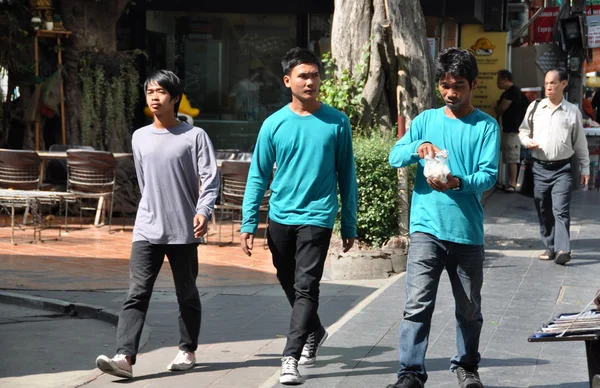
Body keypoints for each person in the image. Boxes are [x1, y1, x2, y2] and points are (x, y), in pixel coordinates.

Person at [239, 47, 358, 385]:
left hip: (318, 216)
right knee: (287, 279)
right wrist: (249, 221)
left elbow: (347, 175)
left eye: (315, 75)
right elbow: (258, 176)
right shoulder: (273, 124)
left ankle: (290, 356)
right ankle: (315, 329)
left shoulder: (337, 122)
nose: (311, 81)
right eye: (303, 76)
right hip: (280, 216)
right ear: (288, 81)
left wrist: (348, 221)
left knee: (307, 286)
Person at [95, 70, 220, 378]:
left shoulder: (194, 136)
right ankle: (124, 356)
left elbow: (210, 179)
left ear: (175, 98)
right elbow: (145, 181)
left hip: (184, 230)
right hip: (147, 228)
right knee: (136, 293)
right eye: (150, 91)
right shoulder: (139, 137)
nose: (154, 96)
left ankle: (187, 349)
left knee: (186, 293)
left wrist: (203, 210)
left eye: (161, 91)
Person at [387, 47, 500, 388]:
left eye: (460, 85)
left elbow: (489, 175)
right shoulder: (424, 121)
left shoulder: (486, 126)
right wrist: (416, 147)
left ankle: (466, 366)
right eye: (446, 85)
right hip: (426, 229)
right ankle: (410, 373)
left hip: (466, 232)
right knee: (417, 305)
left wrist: (457, 183)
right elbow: (395, 157)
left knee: (469, 308)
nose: (452, 92)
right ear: (439, 85)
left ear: (474, 84)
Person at [518, 68, 590, 265]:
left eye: (553, 83)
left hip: (562, 170)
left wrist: (585, 168)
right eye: (546, 83)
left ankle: (562, 250)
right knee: (543, 208)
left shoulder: (572, 111)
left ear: (563, 84)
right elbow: (523, 131)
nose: (548, 87)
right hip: (539, 168)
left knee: (561, 210)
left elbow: (580, 143)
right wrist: (527, 141)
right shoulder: (535, 107)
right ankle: (550, 247)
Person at [494, 69, 526, 192]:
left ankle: (512, 183)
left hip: (513, 130)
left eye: (499, 80)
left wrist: (497, 108)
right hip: (508, 129)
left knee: (512, 157)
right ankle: (507, 182)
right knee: (507, 156)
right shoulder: (509, 92)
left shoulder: (512, 92)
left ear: (505, 79)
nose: (497, 83)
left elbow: (501, 108)